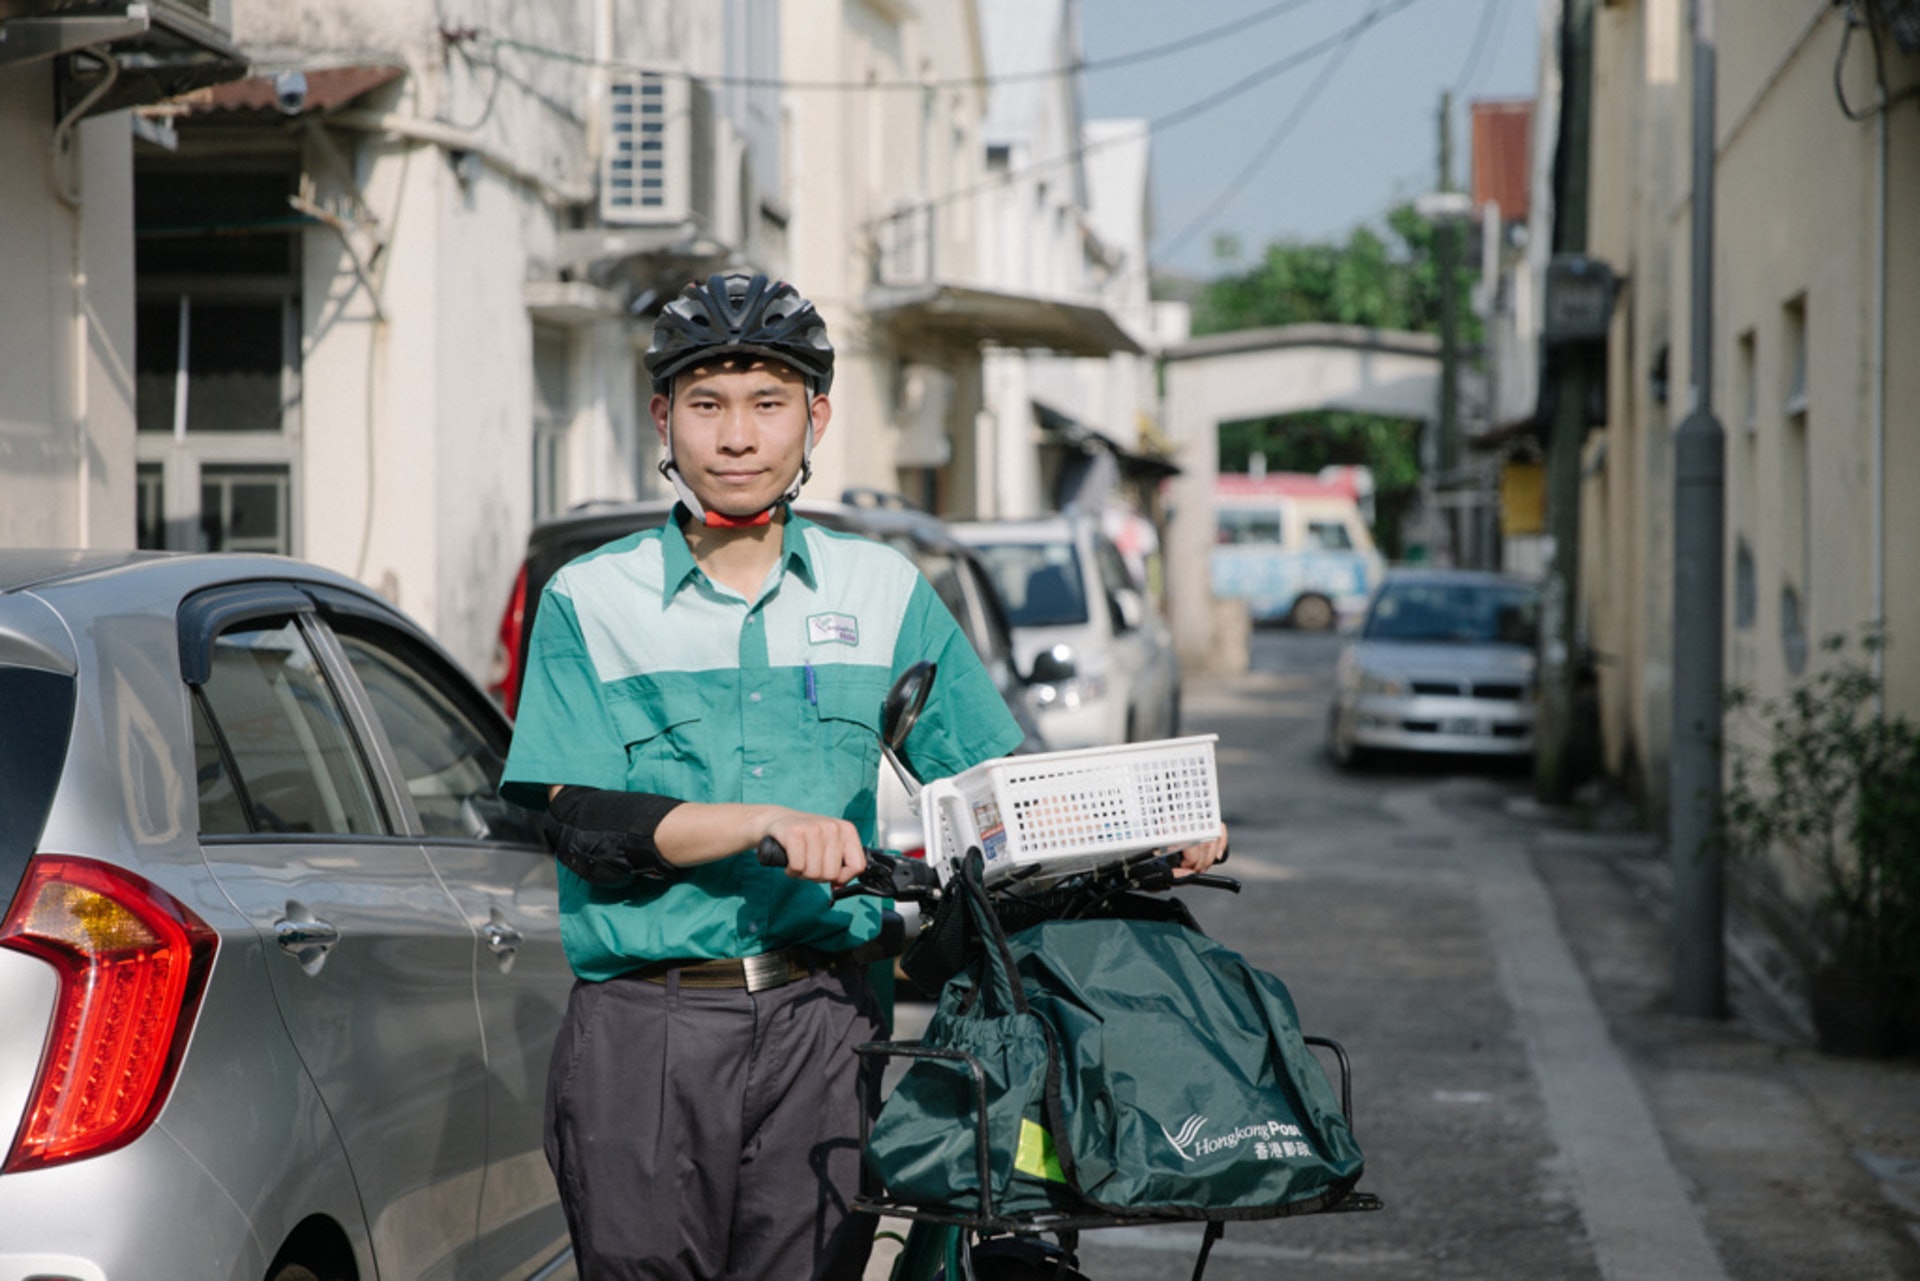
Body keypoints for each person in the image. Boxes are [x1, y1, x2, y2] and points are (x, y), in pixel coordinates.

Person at [502, 271, 1227, 1280]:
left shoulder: (882, 589)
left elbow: (997, 787)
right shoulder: (591, 598)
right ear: (663, 418)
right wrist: (757, 823)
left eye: (769, 403)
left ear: (817, 418)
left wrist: (1143, 833)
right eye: (707, 404)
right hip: (644, 1024)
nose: (738, 436)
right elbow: (578, 820)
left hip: (825, 1022)